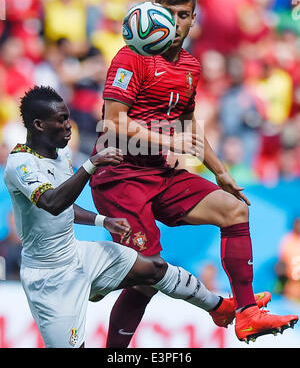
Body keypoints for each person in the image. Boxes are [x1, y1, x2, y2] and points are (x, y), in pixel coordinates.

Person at [90, 0, 298, 346]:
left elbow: (188, 125)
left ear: (193, 18)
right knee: (145, 277)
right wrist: (169, 140)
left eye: (182, 15)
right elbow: (112, 121)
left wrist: (221, 172)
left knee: (234, 210)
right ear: (151, 12)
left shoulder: (190, 66)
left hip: (161, 171)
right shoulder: (131, 56)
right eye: (166, 14)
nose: (172, 24)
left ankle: (247, 314)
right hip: (120, 176)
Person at [4, 85, 264, 349]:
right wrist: (92, 164)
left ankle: (219, 307)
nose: (69, 125)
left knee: (154, 268)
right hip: (50, 277)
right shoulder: (20, 163)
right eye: (60, 120)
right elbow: (52, 203)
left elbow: (65, 207)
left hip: (78, 256)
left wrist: (102, 221)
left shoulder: (63, 155)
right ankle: (98, 290)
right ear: (38, 124)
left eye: (68, 117)